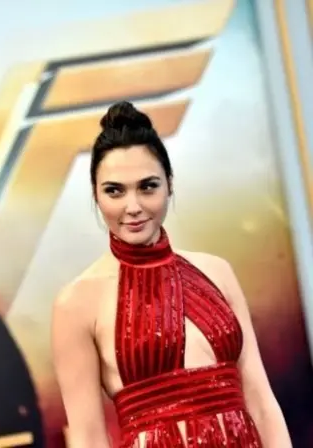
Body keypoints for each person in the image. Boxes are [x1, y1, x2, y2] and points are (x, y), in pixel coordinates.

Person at [51, 101, 292, 447]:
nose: (133, 207)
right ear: (95, 195)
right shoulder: (76, 303)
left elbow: (261, 400)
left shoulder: (217, 272)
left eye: (147, 186)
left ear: (169, 184)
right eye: (114, 190)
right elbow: (88, 437)